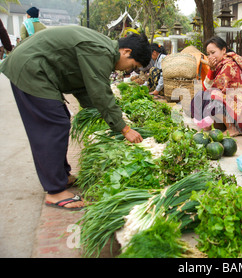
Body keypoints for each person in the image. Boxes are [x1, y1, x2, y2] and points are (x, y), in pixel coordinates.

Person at [0, 25, 151, 211]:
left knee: (60, 119)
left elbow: (85, 89)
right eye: (133, 65)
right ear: (126, 51)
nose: (129, 70)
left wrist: (107, 115)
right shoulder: (101, 51)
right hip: (31, 68)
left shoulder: (102, 49)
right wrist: (124, 128)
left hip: (34, 67)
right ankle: (55, 192)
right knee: (54, 125)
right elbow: (99, 91)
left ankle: (61, 177)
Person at [190, 36, 242, 136]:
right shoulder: (220, 64)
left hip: (240, 113)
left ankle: (232, 128)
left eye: (213, 53)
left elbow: (211, 89)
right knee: (200, 96)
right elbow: (206, 87)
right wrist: (211, 70)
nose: (210, 56)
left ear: (223, 50)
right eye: (208, 54)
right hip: (232, 106)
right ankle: (211, 124)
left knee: (213, 95)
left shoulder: (229, 65)